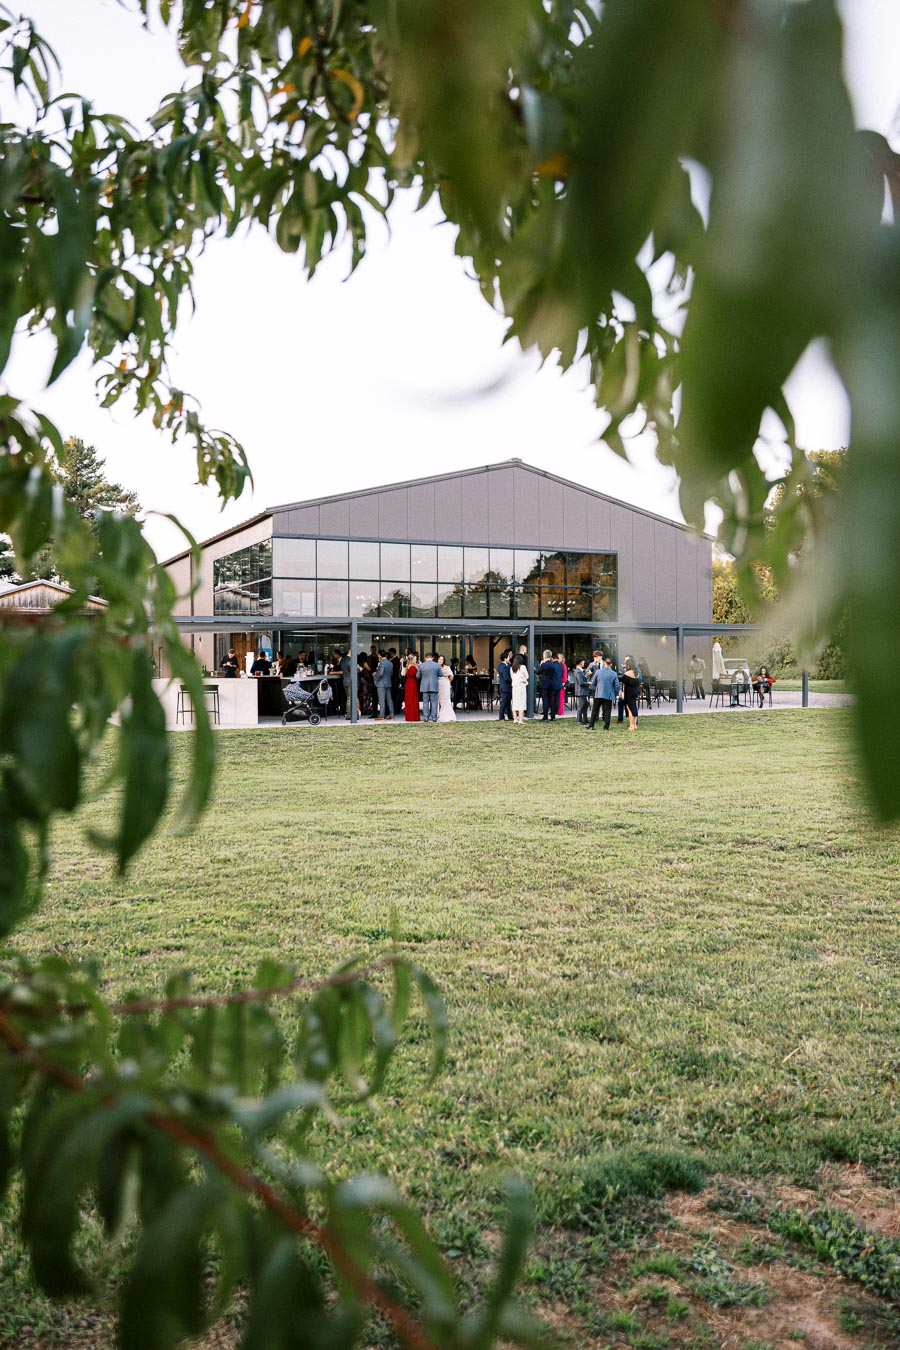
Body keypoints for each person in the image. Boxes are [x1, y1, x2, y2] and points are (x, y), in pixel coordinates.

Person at [590, 657, 621, 730]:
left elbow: (593, 683)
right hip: (608, 694)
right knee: (607, 711)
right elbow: (617, 686)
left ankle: (591, 725)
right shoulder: (614, 674)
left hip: (598, 693)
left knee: (595, 710)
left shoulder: (598, 672)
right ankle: (606, 727)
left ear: (604, 663)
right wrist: (616, 692)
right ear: (611, 665)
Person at [417, 652, 440, 722]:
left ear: (425, 657)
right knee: (434, 702)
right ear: (432, 657)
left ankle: (426, 717)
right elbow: (441, 674)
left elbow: (418, 676)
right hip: (434, 685)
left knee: (425, 702)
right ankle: (434, 717)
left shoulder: (422, 665)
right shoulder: (437, 665)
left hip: (424, 686)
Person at [620, 656, 640, 732]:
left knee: (630, 709)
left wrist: (623, 669)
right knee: (633, 707)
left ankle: (631, 726)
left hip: (629, 693)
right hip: (635, 692)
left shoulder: (628, 673)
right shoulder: (636, 673)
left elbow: (622, 679)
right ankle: (635, 725)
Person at [538, 649, 559, 720]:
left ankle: (545, 717)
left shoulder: (544, 664)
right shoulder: (552, 664)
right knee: (551, 700)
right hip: (551, 684)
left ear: (544, 656)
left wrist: (540, 665)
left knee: (545, 700)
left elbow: (538, 672)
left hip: (544, 685)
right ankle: (553, 716)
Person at [374, 649, 395, 720]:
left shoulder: (382, 663)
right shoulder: (390, 663)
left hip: (381, 683)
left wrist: (375, 676)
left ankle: (382, 715)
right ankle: (392, 715)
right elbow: (391, 673)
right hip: (388, 682)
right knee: (389, 699)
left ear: (380, 655)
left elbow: (380, 673)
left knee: (381, 700)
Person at [437, 654, 456, 721]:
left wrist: (447, 681)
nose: (440, 660)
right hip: (438, 684)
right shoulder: (436, 666)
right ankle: (439, 714)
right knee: (440, 700)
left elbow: (451, 676)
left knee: (446, 699)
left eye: (442, 659)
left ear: (444, 661)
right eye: (439, 659)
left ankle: (447, 715)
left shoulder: (446, 667)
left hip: (445, 684)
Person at [510, 655, 528, 724]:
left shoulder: (511, 668)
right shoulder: (522, 667)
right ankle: (521, 720)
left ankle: (515, 719)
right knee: (522, 703)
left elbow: (512, 677)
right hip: (521, 686)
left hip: (514, 687)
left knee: (515, 702)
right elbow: (527, 676)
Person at [497, 649, 513, 721]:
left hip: (507, 687)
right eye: (508, 657)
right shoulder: (503, 666)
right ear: (505, 658)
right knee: (504, 702)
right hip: (505, 687)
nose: (509, 658)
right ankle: (501, 717)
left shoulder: (507, 665)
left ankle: (510, 716)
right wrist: (512, 681)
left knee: (508, 702)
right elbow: (506, 678)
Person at [573, 658, 590, 724]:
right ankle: (579, 720)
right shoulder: (578, 671)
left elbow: (581, 679)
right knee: (581, 706)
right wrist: (588, 683)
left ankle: (585, 719)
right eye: (583, 662)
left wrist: (586, 676)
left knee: (585, 706)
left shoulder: (579, 671)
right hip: (581, 692)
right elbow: (581, 682)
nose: (584, 663)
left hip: (581, 692)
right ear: (580, 663)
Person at [404, 652, 420, 721]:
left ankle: (409, 716)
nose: (416, 660)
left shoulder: (407, 667)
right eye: (415, 659)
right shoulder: (413, 667)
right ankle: (413, 717)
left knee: (409, 700)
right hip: (413, 684)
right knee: (413, 699)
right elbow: (418, 676)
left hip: (408, 683)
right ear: (412, 660)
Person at [388, 647, 402, 714]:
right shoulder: (392, 660)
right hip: (393, 681)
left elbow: (395, 671)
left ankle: (394, 710)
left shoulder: (396, 660)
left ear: (392, 653)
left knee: (393, 696)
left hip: (394, 681)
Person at [339, 649, 352, 717]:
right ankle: (349, 714)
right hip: (350, 681)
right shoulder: (350, 660)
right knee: (350, 698)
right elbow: (352, 671)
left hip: (345, 681)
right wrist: (359, 669)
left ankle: (349, 713)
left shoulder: (343, 660)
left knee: (348, 697)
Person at [557, 652, 568, 717]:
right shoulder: (558, 665)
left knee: (561, 698)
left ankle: (560, 711)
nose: (558, 659)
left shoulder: (563, 665)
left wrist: (563, 684)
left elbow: (565, 675)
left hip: (561, 683)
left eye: (559, 657)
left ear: (562, 658)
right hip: (557, 683)